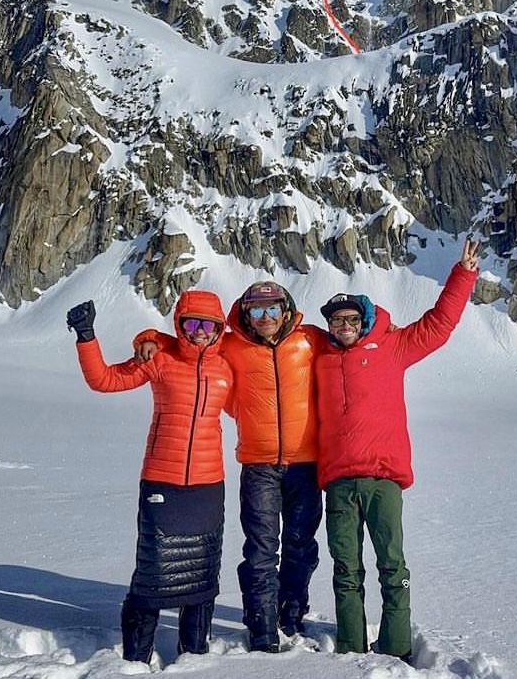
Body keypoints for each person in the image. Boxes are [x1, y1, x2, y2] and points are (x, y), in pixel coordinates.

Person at [134, 280, 325, 653]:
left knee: (301, 546)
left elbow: (355, 339)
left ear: (286, 311)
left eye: (273, 309)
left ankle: (291, 613)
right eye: (257, 311)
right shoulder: (233, 345)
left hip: (306, 463)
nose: (266, 318)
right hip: (258, 464)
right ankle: (262, 627)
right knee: (261, 549)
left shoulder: (310, 340)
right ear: (245, 316)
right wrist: (148, 336)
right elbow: (185, 342)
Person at [314, 237, 479, 662]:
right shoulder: (318, 356)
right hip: (337, 483)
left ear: (364, 319)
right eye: (336, 321)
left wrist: (462, 275)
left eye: (351, 319)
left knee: (393, 568)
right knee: (345, 571)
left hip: (383, 480)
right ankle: (351, 647)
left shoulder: (392, 346)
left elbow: (438, 325)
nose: (343, 326)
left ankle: (396, 646)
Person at [66, 290, 232, 664]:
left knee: (202, 574)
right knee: (154, 572)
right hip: (163, 481)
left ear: (220, 328)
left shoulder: (226, 365)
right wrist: (87, 336)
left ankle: (195, 655)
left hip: (208, 485)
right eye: (192, 324)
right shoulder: (162, 359)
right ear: (180, 325)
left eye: (209, 325)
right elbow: (105, 380)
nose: (200, 332)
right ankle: (136, 658)